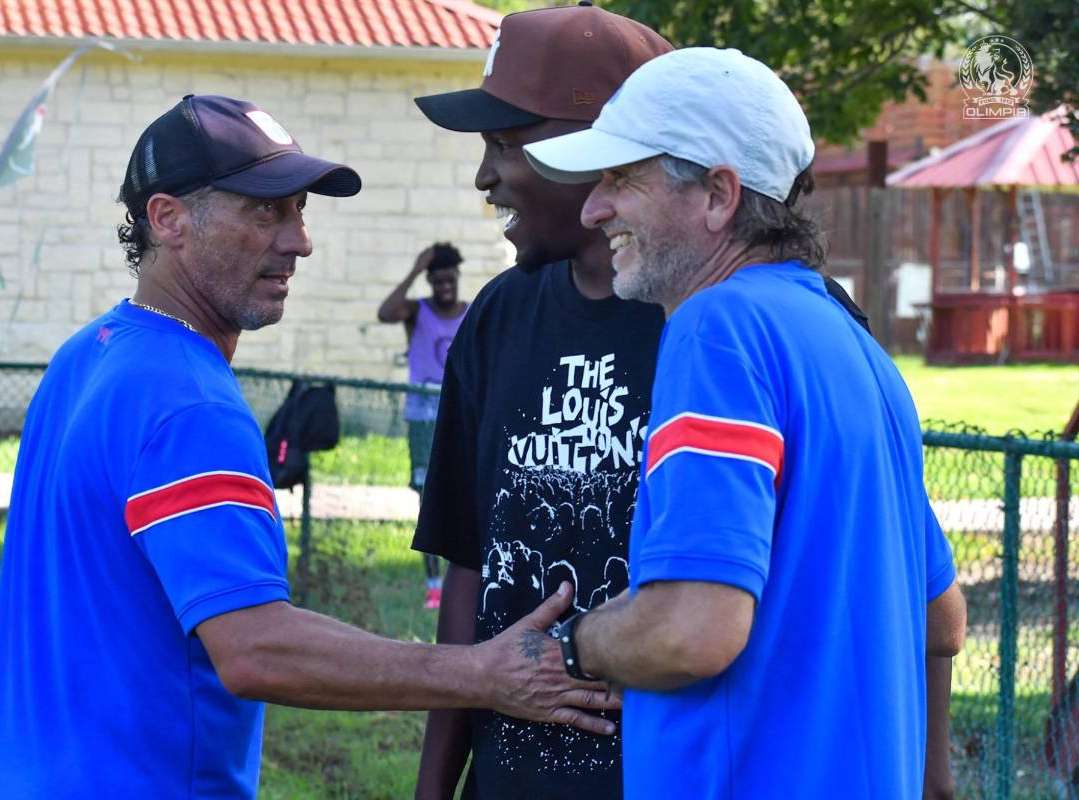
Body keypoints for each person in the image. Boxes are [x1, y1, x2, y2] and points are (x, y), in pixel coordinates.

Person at [0, 94, 618, 800]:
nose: (299, 240)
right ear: (168, 218)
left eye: (299, 210)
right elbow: (255, 649)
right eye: (264, 211)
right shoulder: (188, 402)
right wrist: (486, 673)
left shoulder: (88, 355)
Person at [523, 48, 968, 798]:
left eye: (621, 178)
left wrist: (574, 644)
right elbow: (943, 620)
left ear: (719, 195)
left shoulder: (717, 327)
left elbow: (692, 629)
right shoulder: (857, 350)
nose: (593, 209)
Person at [409, 5, 673, 798]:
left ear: (588, 151)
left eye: (503, 144)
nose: (484, 176)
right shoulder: (498, 318)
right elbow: (466, 567)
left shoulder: (714, 327)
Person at [377, 242, 469, 609]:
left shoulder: (470, 312)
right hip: (422, 420)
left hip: (460, 416)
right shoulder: (418, 312)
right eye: (437, 281)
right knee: (427, 497)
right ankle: (434, 585)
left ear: (457, 278)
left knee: (461, 496)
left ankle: (461, 580)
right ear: (430, 282)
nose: (444, 288)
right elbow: (386, 312)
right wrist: (415, 269)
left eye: (449, 280)